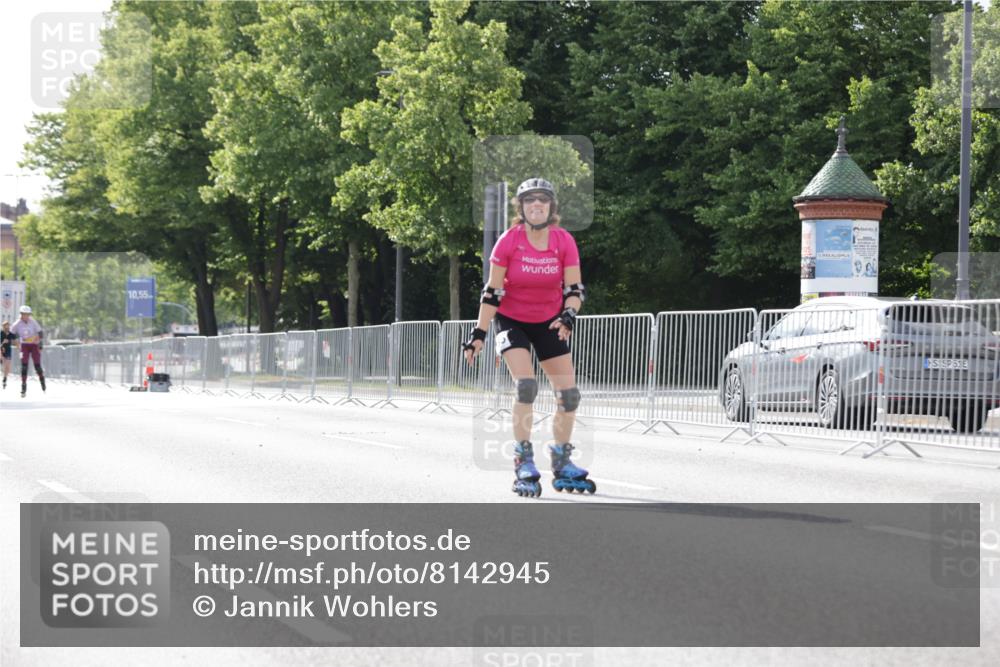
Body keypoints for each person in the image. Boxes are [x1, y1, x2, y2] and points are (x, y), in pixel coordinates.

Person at [462, 177, 595, 497]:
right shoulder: (509, 241)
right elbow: (493, 291)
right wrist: (479, 332)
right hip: (512, 320)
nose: (537, 205)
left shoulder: (563, 241)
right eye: (530, 200)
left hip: (549, 321)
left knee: (569, 394)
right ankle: (523, 458)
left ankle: (561, 461)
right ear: (521, 208)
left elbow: (574, 289)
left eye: (543, 200)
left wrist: (569, 315)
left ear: (552, 207)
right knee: (526, 386)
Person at [11, 305, 46, 397]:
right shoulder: (17, 323)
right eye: (24, 314)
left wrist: (39, 341)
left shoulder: (33, 322)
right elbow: (11, 334)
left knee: (37, 366)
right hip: (24, 346)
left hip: (34, 345)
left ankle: (42, 380)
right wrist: (16, 342)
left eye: (28, 314)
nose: (26, 316)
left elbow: (41, 333)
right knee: (24, 366)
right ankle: (23, 386)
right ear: (21, 314)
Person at [1, 321, 14, 389]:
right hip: (1, 350)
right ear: (3, 327)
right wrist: (3, 343)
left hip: (8, 351)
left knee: (7, 366)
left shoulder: (11, 334)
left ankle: (5, 378)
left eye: (8, 326)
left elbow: (16, 340)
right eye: (5, 326)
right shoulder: (1, 333)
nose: (7, 327)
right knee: (3, 365)